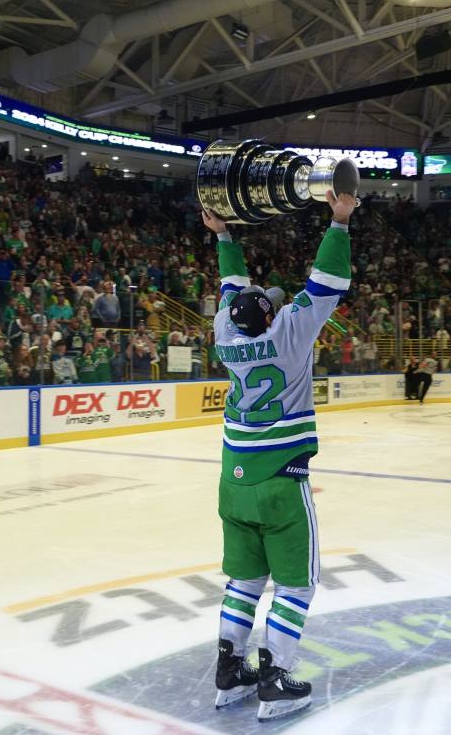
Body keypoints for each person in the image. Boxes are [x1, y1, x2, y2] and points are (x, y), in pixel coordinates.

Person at [204, 190, 355, 722]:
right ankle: (275, 677)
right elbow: (327, 284)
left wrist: (223, 236)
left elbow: (231, 289)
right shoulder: (289, 335)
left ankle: (230, 670)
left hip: (232, 479)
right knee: (296, 583)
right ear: (270, 316)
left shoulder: (224, 332)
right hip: (280, 480)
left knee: (243, 580)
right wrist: (338, 223)